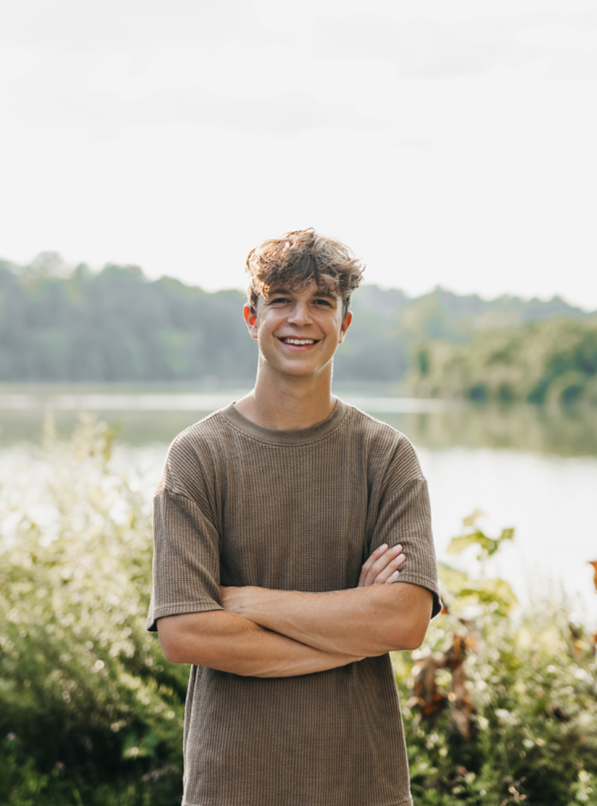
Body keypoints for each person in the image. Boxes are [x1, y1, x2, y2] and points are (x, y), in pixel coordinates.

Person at [147, 228, 441, 806]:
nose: (299, 319)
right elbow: (185, 634)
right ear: (252, 317)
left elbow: (405, 622)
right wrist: (354, 632)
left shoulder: (386, 456)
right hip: (232, 786)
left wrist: (249, 601)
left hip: (364, 786)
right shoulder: (197, 455)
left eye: (321, 303)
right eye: (281, 299)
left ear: (344, 325)